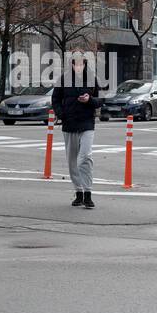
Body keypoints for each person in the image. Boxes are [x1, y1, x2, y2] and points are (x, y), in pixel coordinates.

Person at [52, 51, 102, 209]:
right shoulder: (64, 79)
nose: (78, 66)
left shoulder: (92, 79)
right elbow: (55, 99)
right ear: (72, 64)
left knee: (85, 157)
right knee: (72, 161)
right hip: (69, 123)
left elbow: (100, 100)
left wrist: (90, 100)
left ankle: (88, 194)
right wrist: (61, 114)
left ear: (85, 64)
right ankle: (78, 192)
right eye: (76, 63)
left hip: (87, 123)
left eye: (81, 63)